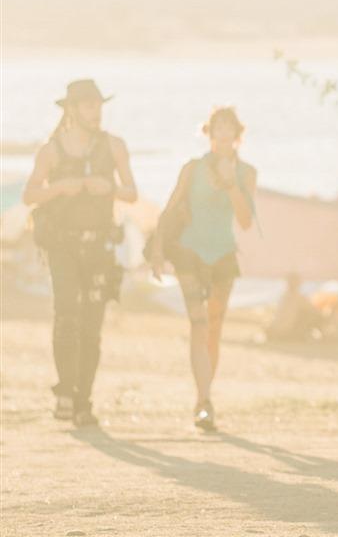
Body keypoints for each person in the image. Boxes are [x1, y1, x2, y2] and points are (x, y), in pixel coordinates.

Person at [22, 79, 138, 426]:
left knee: (91, 325)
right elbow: (29, 194)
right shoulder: (51, 150)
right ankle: (65, 393)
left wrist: (110, 187)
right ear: (71, 109)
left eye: (98, 104)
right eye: (88, 105)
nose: (96, 111)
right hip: (62, 245)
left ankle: (83, 400)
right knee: (66, 316)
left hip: (100, 245)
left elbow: (131, 193)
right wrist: (60, 187)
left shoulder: (114, 146)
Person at [150, 107, 256, 432]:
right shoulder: (192, 168)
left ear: (237, 134)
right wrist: (157, 249)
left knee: (214, 327)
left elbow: (246, 221)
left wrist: (231, 185)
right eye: (217, 127)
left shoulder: (247, 173)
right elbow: (170, 206)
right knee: (198, 323)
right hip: (189, 252)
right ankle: (205, 401)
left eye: (228, 127)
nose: (223, 134)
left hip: (223, 254)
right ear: (209, 133)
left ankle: (203, 396)